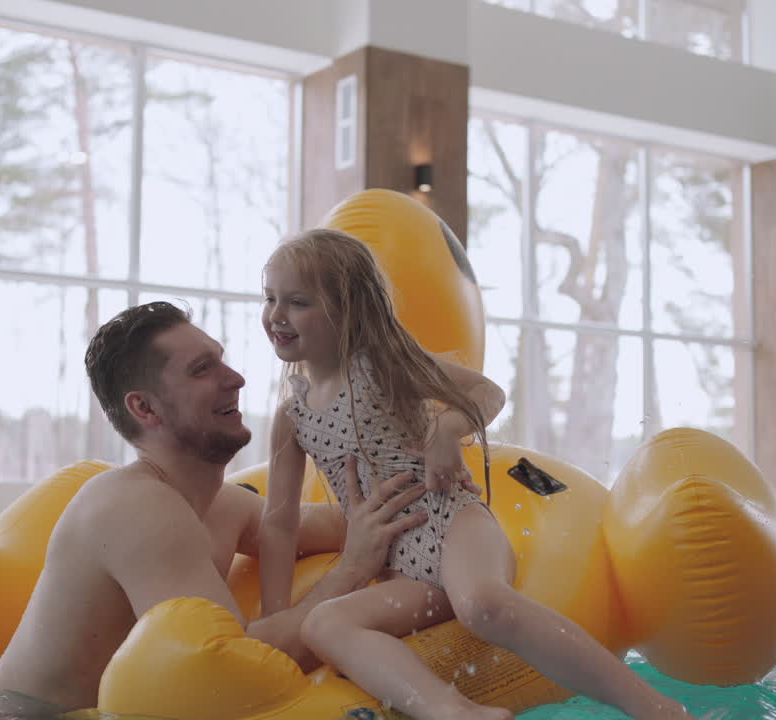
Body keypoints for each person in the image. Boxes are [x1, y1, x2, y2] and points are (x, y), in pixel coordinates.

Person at [257, 229, 697, 720]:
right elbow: (279, 521)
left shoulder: (383, 368)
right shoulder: (291, 418)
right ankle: (455, 712)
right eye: (270, 297)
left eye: (297, 302)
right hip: (401, 567)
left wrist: (446, 430)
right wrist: (275, 615)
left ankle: (656, 708)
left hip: (453, 525)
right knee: (323, 625)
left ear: (349, 309)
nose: (276, 315)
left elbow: (487, 394)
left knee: (483, 605)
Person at [0, 301, 432, 712]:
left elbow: (349, 523)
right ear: (145, 408)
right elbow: (228, 667)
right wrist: (351, 569)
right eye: (202, 370)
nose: (235, 378)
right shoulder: (137, 508)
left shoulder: (219, 504)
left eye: (221, 359)